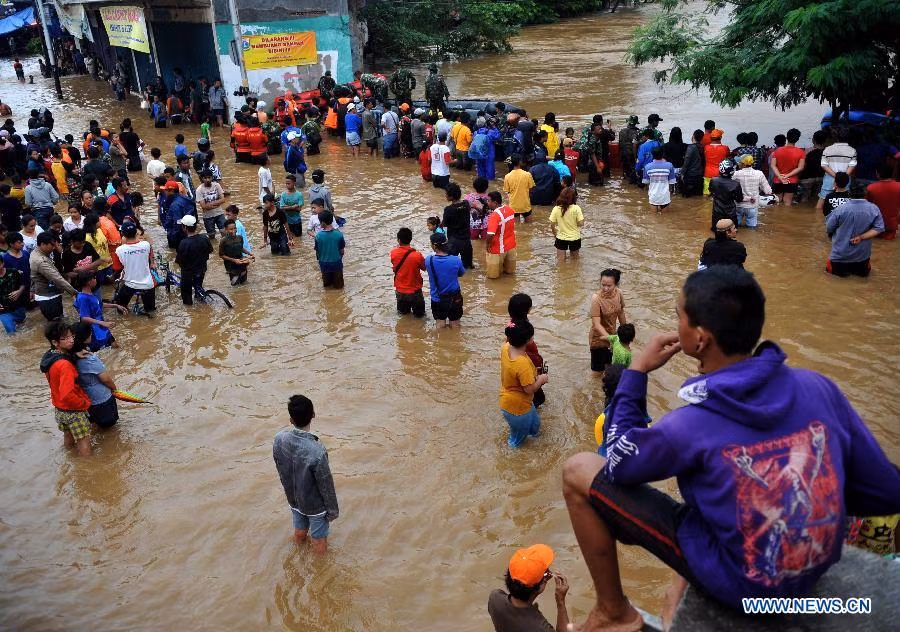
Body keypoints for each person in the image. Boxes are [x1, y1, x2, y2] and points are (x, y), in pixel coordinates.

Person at [561, 266, 900, 631]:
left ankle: (613, 610)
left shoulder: (690, 423)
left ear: (699, 339)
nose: (676, 325)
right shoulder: (819, 387)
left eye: (679, 317)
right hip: (814, 566)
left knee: (579, 469)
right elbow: (884, 492)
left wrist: (638, 371)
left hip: (744, 586)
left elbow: (617, 462)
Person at [273, 394, 339, 555]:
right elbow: (326, 484)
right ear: (313, 415)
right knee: (319, 539)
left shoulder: (279, 439)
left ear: (291, 420)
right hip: (314, 505)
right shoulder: (317, 451)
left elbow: (279, 466)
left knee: (300, 531)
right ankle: (320, 568)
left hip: (293, 499)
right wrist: (332, 511)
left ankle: (298, 555)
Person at [488, 543, 569, 632]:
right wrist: (560, 601)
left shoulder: (495, 598)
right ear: (541, 586)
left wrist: (540, 579)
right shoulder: (541, 629)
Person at [40, 320, 93, 456]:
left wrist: (74, 355)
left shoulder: (50, 356)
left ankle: (69, 460)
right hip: (73, 410)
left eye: (72, 336)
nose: (71, 340)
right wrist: (84, 404)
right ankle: (89, 466)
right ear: (55, 342)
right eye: (66, 338)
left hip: (60, 409)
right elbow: (67, 394)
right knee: (84, 441)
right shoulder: (65, 365)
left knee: (68, 438)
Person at [499, 319, 548, 448]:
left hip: (519, 402)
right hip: (517, 408)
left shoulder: (506, 347)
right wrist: (541, 379)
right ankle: (511, 455)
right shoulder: (522, 364)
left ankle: (536, 441)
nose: (533, 338)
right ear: (527, 341)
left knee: (535, 425)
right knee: (517, 439)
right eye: (532, 336)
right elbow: (529, 389)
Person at [825, 184, 885, 277]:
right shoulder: (873, 208)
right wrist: (861, 237)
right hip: (862, 257)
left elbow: (829, 228)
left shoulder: (841, 209)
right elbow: (879, 228)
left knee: (833, 280)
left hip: (840, 257)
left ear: (849, 193)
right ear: (865, 194)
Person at [71, 322, 119, 429]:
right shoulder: (89, 358)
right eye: (91, 332)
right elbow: (105, 379)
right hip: (102, 398)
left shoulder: (71, 356)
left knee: (95, 425)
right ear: (87, 336)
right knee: (111, 427)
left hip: (86, 399)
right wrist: (115, 389)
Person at [589, 268, 627, 373]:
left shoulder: (619, 293)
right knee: (597, 373)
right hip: (598, 339)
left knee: (610, 369)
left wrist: (625, 335)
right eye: (603, 285)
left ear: (616, 284)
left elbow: (621, 313)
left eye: (609, 286)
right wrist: (611, 339)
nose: (605, 288)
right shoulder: (596, 299)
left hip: (613, 336)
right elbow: (596, 324)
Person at [31, 232, 76, 320]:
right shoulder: (40, 261)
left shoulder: (37, 252)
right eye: (52, 245)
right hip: (48, 297)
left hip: (50, 292)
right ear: (43, 244)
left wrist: (31, 290)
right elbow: (57, 279)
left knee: (59, 319)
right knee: (56, 322)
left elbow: (33, 274)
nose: (54, 247)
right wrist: (75, 293)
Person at [112, 223, 156, 313]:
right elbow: (151, 252)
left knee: (120, 309)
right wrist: (152, 263)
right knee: (151, 312)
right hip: (148, 284)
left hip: (129, 285)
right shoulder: (146, 244)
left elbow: (117, 268)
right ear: (136, 233)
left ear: (122, 234)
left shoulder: (119, 250)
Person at [425, 232, 464, 328]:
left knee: (440, 323)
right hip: (455, 297)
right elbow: (461, 273)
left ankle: (441, 338)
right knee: (455, 323)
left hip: (437, 298)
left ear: (434, 246)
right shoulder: (456, 260)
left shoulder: (428, 260)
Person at [175, 215, 213, 305]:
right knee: (199, 285)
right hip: (202, 269)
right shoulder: (204, 238)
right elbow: (210, 250)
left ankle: (189, 308)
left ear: (185, 228)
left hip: (188, 273)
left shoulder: (184, 243)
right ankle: (199, 297)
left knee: (186, 293)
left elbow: (179, 261)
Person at [817, 127, 857, 214]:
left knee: (821, 204)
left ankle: (817, 220)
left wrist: (836, 177)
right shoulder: (852, 150)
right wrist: (841, 178)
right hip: (845, 181)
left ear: (835, 137)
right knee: (844, 203)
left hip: (829, 180)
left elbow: (824, 165)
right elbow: (852, 166)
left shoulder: (827, 149)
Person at [390, 227, 426, 318]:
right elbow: (424, 268)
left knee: (403, 316)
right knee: (420, 317)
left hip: (400, 291)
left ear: (398, 240)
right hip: (415, 291)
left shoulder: (393, 253)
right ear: (410, 239)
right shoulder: (417, 255)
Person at [733, 154, 772, 228]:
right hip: (752, 205)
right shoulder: (759, 173)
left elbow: (730, 186)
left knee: (735, 226)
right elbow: (767, 190)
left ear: (742, 164)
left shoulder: (736, 174)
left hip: (739, 205)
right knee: (752, 228)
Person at [770, 128, 805, 206]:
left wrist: (780, 177)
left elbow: (773, 165)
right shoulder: (801, 152)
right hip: (791, 181)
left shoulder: (777, 151)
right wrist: (787, 176)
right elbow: (800, 167)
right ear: (797, 139)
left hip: (778, 180)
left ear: (787, 137)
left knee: (777, 202)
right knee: (787, 203)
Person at [442, 183, 473, 269]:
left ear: (451, 196)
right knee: (468, 266)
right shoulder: (466, 204)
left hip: (454, 241)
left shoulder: (448, 210)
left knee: (450, 266)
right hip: (466, 240)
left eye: (446, 194)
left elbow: (445, 224)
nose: (445, 195)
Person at [865, 163, 900, 239]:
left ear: (877, 174)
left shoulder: (871, 188)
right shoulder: (898, 187)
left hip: (874, 226)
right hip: (891, 226)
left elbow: (866, 207)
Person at [549, 187, 584, 263]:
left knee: (560, 261)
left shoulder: (556, 208)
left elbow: (552, 224)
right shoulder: (576, 208)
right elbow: (581, 223)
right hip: (575, 238)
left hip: (561, 238)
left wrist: (555, 234)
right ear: (573, 198)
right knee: (575, 260)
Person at [159, 181, 195, 249]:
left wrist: (173, 236)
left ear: (172, 191)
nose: (164, 192)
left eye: (166, 190)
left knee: (177, 251)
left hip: (177, 234)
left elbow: (178, 222)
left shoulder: (175, 205)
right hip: (187, 230)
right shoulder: (185, 198)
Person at [709, 159, 743, 230]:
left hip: (717, 212)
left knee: (716, 231)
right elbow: (739, 199)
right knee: (732, 232)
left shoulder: (713, 180)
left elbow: (711, 192)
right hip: (730, 213)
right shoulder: (736, 184)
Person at [314, 210, 345, 289]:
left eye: (320, 222)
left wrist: (320, 261)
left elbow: (317, 252)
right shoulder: (339, 235)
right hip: (336, 263)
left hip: (324, 264)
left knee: (327, 287)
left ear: (323, 223)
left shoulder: (318, 236)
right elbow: (342, 251)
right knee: (339, 287)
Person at [219, 218, 254, 285]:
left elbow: (241, 248)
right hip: (231, 266)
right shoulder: (223, 241)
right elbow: (221, 255)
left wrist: (249, 253)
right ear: (226, 230)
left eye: (235, 228)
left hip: (241, 262)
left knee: (244, 283)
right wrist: (234, 260)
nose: (234, 231)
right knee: (235, 285)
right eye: (231, 229)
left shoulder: (240, 238)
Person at [641, 147, 677, 212]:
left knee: (654, 216)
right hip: (664, 196)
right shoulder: (669, 165)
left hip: (653, 195)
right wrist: (669, 193)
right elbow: (672, 182)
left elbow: (646, 182)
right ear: (663, 154)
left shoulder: (647, 167)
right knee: (665, 216)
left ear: (652, 155)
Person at [504, 154, 536, 222]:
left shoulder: (507, 176)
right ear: (520, 162)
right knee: (529, 225)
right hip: (525, 205)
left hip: (513, 206)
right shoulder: (527, 174)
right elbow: (531, 188)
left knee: (516, 227)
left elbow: (507, 191)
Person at [0, 255, 25, 333]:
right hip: (3, 310)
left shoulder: (13, 271)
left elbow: (23, 284)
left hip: (18, 306)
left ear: (3, 263)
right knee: (11, 332)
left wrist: (19, 291)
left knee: (22, 322)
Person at [703, 129, 729, 195]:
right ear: (720, 137)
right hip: (720, 174)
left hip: (708, 173)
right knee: (720, 195)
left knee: (706, 194)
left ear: (711, 138)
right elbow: (728, 158)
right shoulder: (725, 148)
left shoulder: (706, 147)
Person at [280, 174, 304, 241]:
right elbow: (281, 207)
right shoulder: (283, 194)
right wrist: (293, 207)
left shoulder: (299, 194)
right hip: (287, 222)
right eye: (286, 183)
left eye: (289, 183)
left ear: (294, 183)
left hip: (297, 221)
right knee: (290, 239)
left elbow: (299, 209)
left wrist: (286, 207)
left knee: (299, 239)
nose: (287, 185)